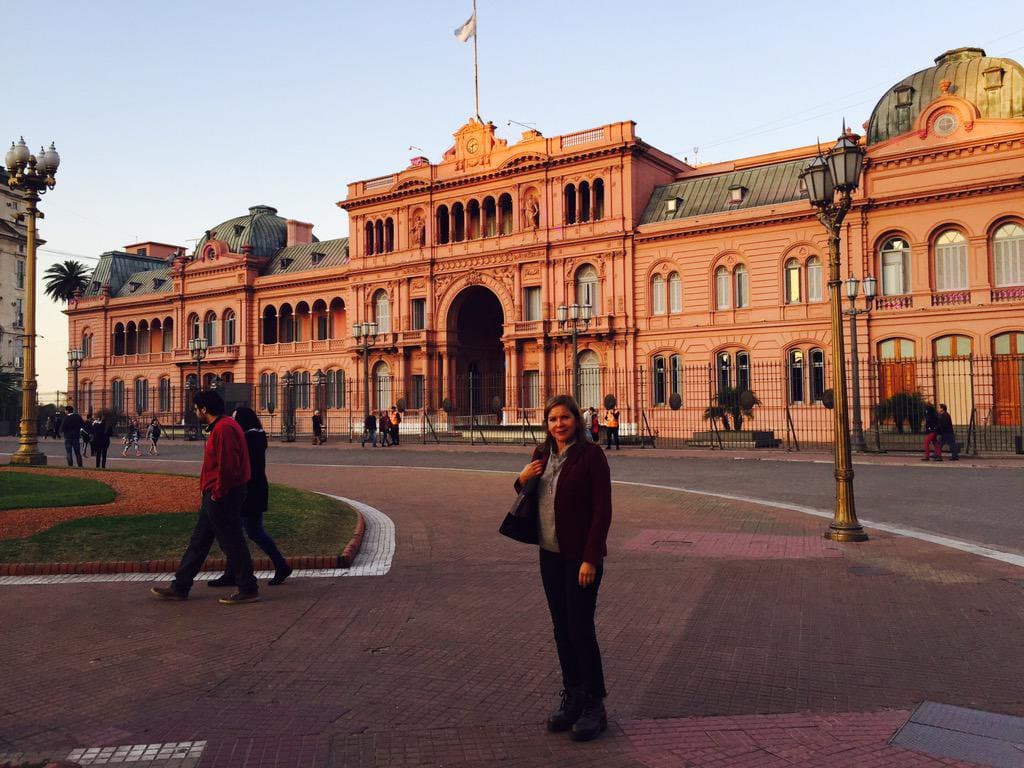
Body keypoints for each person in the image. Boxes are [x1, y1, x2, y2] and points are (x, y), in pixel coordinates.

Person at [515, 394, 612, 742]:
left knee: (581, 628)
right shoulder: (541, 456)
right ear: (547, 423)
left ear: (577, 420)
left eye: (565, 418)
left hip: (580, 558)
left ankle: (595, 704)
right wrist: (521, 476)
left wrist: (591, 558)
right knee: (561, 628)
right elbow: (527, 494)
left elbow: (602, 511)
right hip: (550, 555)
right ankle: (573, 695)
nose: (559, 424)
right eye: (553, 419)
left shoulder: (591, 456)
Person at [151, 390, 260, 605]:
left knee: (232, 542)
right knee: (200, 541)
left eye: (196, 408)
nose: (195, 412)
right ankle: (180, 586)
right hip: (219, 492)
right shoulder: (223, 426)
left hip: (223, 494)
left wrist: (217, 493)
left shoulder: (224, 428)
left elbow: (227, 466)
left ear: (204, 409)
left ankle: (248, 587)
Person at [208, 407, 292, 588]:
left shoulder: (249, 438)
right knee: (239, 531)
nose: (233, 420)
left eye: (235, 417)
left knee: (251, 531)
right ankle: (233, 572)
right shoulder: (256, 436)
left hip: (249, 491)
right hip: (256, 489)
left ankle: (280, 565)